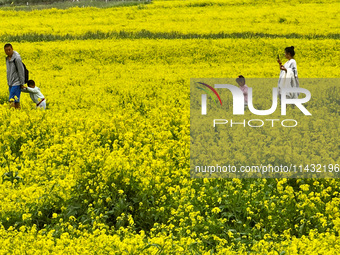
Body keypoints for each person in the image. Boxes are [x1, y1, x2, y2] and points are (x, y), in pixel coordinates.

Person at [4, 43, 25, 109]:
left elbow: (21, 71)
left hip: (16, 82)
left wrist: (22, 83)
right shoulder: (7, 58)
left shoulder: (17, 58)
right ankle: (19, 114)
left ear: (12, 49)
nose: (7, 52)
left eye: (9, 50)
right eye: (6, 50)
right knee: (16, 101)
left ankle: (12, 115)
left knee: (11, 100)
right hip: (10, 82)